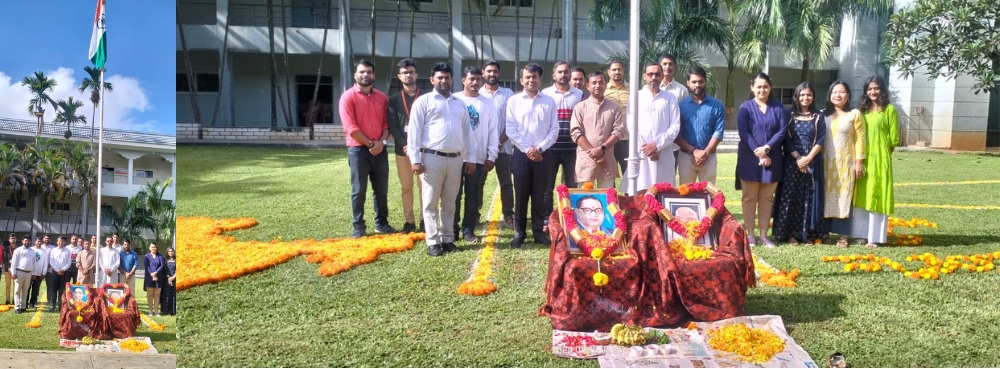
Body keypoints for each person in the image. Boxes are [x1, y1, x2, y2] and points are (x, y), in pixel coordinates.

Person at [408, 62, 477, 256]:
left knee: (450, 202)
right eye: (440, 77)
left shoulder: (459, 103)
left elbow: (467, 133)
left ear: (452, 79)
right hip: (431, 158)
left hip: (455, 159)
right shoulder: (423, 102)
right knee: (430, 202)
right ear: (432, 80)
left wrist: (470, 158)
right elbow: (414, 132)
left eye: (447, 77)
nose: (444, 80)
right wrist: (415, 159)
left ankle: (447, 239)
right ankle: (433, 242)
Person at [340, 59, 397, 238]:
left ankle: (382, 223)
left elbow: (387, 124)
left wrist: (381, 142)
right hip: (358, 150)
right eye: (362, 72)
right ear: (355, 75)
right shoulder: (348, 97)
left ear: (374, 75)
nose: (366, 75)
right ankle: (359, 226)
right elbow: (351, 128)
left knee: (381, 189)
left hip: (380, 149)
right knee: (359, 190)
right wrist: (371, 144)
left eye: (369, 72)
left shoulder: (382, 98)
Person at [506, 63, 560, 248]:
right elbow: (511, 129)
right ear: (521, 80)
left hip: (543, 155)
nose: (531, 80)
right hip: (521, 155)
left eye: (534, 77)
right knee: (520, 195)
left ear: (540, 79)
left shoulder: (549, 101)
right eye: (527, 77)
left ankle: (538, 233)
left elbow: (554, 130)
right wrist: (528, 149)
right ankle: (519, 233)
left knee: (539, 195)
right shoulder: (513, 101)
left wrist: (540, 149)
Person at [736, 72, 788, 248]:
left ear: (770, 88)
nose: (762, 90)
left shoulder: (778, 108)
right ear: (752, 87)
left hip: (772, 158)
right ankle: (750, 234)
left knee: (767, 198)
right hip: (749, 158)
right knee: (749, 197)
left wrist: (767, 149)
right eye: (758, 86)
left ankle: (764, 235)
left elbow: (782, 131)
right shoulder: (745, 107)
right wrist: (759, 153)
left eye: (765, 86)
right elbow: (744, 133)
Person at [773, 82, 826, 246]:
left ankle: (807, 234)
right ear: (797, 96)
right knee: (790, 197)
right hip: (791, 162)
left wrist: (808, 158)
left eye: (809, 95)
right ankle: (789, 234)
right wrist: (798, 158)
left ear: (813, 97)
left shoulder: (818, 117)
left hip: (812, 162)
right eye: (802, 95)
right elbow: (785, 139)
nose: (805, 98)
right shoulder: (788, 115)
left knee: (809, 197)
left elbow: (821, 139)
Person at [453, 66, 499, 243]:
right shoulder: (454, 100)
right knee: (454, 195)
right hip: (456, 156)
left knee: (473, 195)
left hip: (478, 158)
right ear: (463, 80)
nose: (475, 82)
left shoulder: (487, 103)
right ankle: (452, 229)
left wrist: (491, 156)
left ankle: (468, 230)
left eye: (478, 79)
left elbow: (493, 131)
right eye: (471, 79)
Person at [853, 75, 900, 248]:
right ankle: (861, 235)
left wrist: (882, 157)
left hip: (880, 160)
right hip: (862, 158)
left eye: (876, 88)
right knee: (862, 194)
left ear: (882, 90)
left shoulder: (889, 110)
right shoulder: (862, 111)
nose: (873, 91)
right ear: (866, 91)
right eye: (870, 88)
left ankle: (876, 237)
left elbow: (894, 139)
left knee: (877, 194)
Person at [822, 80, 867, 248]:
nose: (838, 95)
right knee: (825, 196)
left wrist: (859, 162)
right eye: (834, 92)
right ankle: (824, 232)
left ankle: (843, 236)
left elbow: (861, 140)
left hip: (846, 163)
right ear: (829, 95)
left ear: (848, 95)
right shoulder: (823, 114)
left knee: (844, 196)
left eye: (842, 92)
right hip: (825, 164)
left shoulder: (854, 114)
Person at [541, 61, 585, 227]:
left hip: (572, 149)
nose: (563, 75)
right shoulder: (545, 94)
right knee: (547, 187)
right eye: (560, 72)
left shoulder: (579, 94)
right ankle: (547, 218)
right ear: (554, 75)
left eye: (566, 71)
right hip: (550, 149)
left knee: (571, 187)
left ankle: (569, 218)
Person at [627, 63, 681, 194]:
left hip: (664, 153)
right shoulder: (635, 97)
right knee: (640, 191)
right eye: (650, 74)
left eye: (657, 74)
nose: (654, 77)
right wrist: (647, 150)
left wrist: (656, 146)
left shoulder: (670, 98)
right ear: (644, 76)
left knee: (663, 192)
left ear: (662, 76)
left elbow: (675, 126)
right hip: (641, 153)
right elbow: (631, 125)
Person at [570, 71, 625, 188]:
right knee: (584, 200)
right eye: (594, 83)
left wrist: (602, 149)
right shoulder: (580, 107)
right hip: (586, 159)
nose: (597, 85)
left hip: (607, 159)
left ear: (605, 85)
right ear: (588, 86)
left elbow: (618, 131)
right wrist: (595, 154)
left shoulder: (614, 107)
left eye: (601, 82)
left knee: (607, 198)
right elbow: (575, 132)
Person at [387, 58, 423, 234]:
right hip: (402, 151)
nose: (408, 75)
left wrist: (417, 146)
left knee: (424, 186)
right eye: (405, 72)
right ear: (399, 76)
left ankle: (425, 220)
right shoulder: (393, 99)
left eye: (411, 72)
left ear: (416, 74)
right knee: (406, 187)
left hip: (423, 150)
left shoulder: (425, 97)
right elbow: (392, 125)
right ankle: (409, 222)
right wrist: (406, 145)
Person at [480, 61, 517, 228]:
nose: (492, 74)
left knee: (506, 183)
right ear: (483, 73)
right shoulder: (477, 94)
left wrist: (499, 142)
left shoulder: (508, 94)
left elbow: (512, 121)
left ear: (499, 74)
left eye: (495, 71)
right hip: (481, 150)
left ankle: (509, 214)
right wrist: (489, 145)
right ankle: (475, 214)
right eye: (489, 71)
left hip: (504, 147)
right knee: (478, 182)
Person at [675, 67, 725, 184]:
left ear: (705, 82)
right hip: (686, 157)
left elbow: (718, 132)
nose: (697, 85)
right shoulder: (680, 106)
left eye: (700, 81)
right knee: (685, 194)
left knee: (709, 195)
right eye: (694, 82)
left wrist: (705, 153)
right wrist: (694, 151)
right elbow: (677, 134)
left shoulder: (717, 105)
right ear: (688, 83)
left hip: (709, 157)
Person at [658, 53, 691, 173]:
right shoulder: (653, 87)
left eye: (670, 64)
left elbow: (684, 116)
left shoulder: (681, 90)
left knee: (669, 177)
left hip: (674, 143)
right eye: (664, 64)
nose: (667, 67)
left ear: (674, 67)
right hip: (654, 142)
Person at [604, 60, 631, 181]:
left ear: (623, 71)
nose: (617, 72)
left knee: (629, 174)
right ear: (608, 72)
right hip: (609, 139)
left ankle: (630, 199)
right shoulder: (603, 89)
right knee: (609, 175)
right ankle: (612, 199)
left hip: (628, 139)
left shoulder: (633, 89)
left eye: (619, 69)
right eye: (614, 70)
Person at [9, 236, 34, 314]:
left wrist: (33, 273)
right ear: (23, 241)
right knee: (17, 291)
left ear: (30, 242)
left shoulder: (32, 251)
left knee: (25, 291)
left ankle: (23, 307)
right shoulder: (18, 250)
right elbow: (14, 262)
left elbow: (34, 263)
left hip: (29, 273)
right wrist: (13, 273)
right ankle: (17, 307)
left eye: (29, 241)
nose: (27, 242)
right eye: (26, 240)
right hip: (19, 272)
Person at [46, 236, 72, 311]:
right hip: (55, 272)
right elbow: (51, 261)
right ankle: (52, 305)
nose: (61, 243)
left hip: (64, 272)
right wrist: (57, 270)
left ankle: (60, 305)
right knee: (53, 289)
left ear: (64, 242)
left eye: (62, 241)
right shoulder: (53, 250)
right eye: (59, 241)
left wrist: (62, 270)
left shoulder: (67, 250)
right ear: (57, 242)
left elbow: (69, 262)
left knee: (62, 289)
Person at [144, 243, 165, 316]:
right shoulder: (146, 256)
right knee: (150, 294)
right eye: (152, 247)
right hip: (149, 278)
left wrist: (156, 273)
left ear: (156, 248)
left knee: (157, 295)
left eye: (154, 247)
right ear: (149, 248)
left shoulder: (160, 256)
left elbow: (162, 265)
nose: (153, 248)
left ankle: (156, 311)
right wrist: (152, 274)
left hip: (158, 278)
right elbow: (146, 266)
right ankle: (150, 311)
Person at [27, 238, 49, 309]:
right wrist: (32, 273)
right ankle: (25, 303)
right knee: (27, 288)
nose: (39, 243)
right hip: (29, 273)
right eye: (38, 241)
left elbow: (45, 263)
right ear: (35, 242)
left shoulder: (44, 251)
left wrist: (44, 272)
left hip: (39, 273)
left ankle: (32, 303)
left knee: (35, 289)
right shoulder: (30, 249)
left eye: (40, 242)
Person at [161, 247, 176, 316]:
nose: (170, 252)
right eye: (169, 251)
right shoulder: (165, 260)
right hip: (167, 279)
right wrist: (169, 278)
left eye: (172, 251)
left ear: (173, 252)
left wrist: (173, 277)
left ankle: (174, 311)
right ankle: (168, 311)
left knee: (174, 295)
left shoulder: (176, 260)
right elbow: (164, 270)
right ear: (167, 252)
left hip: (175, 279)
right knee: (168, 295)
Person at [1, 233, 10, 305]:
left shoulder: (2, 248)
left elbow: (3, 258)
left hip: (0, 268)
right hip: (7, 269)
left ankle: (12, 300)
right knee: (7, 285)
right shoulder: (4, 249)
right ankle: (7, 300)